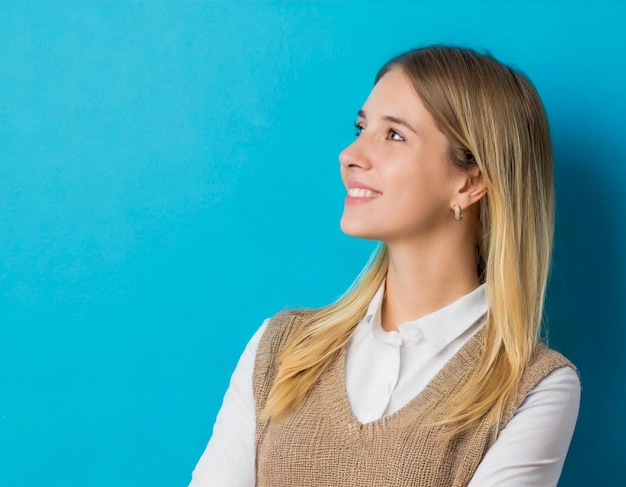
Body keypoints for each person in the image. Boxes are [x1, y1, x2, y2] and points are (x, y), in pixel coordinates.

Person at [188, 45, 581, 487]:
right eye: (361, 127)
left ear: (470, 182)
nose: (350, 154)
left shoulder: (533, 388)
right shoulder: (280, 351)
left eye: (394, 135)